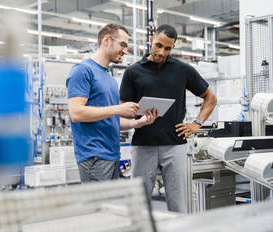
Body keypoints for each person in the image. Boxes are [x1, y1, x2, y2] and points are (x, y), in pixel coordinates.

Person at [119, 24, 217, 212]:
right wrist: (137, 113)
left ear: (173, 47)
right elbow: (123, 108)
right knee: (139, 204)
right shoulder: (133, 72)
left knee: (178, 203)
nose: (162, 52)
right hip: (143, 144)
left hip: (175, 145)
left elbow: (210, 98)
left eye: (167, 48)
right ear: (151, 41)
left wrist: (197, 123)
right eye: (158, 46)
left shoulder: (183, 70)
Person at [66, 23, 159, 182]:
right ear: (106, 40)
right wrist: (118, 109)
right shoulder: (83, 70)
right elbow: (76, 113)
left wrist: (139, 122)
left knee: (110, 206)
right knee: (98, 206)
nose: (124, 51)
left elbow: (111, 120)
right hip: (94, 156)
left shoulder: (109, 78)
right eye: (122, 45)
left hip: (112, 154)